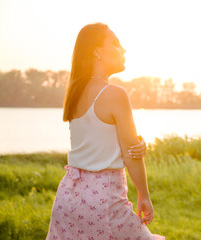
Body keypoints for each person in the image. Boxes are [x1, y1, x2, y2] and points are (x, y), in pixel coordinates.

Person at [46, 22, 165, 240]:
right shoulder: (115, 94)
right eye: (116, 43)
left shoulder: (75, 93)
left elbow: (102, 142)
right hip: (103, 201)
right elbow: (132, 153)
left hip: (67, 198)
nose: (123, 50)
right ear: (98, 52)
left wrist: (130, 146)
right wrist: (144, 196)